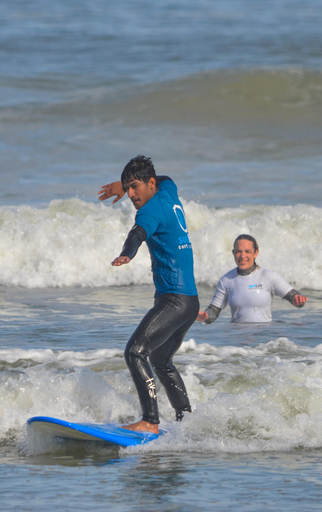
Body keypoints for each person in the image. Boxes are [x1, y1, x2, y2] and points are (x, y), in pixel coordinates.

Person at [98, 155, 199, 434]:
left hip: (173, 299)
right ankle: (186, 421)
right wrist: (122, 183)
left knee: (135, 352)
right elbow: (166, 178)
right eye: (127, 188)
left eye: (134, 187)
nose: (130, 194)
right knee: (161, 361)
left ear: (149, 183)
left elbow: (137, 234)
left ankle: (150, 421)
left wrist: (125, 254)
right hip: (190, 302)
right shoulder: (169, 192)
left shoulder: (149, 211)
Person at [196, 234, 307, 324]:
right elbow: (213, 312)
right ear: (233, 253)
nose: (242, 256)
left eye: (247, 251)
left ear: (256, 253)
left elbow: (292, 296)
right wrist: (205, 317)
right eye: (238, 251)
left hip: (264, 341)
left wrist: (298, 300)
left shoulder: (268, 276)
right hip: (237, 342)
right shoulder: (226, 280)